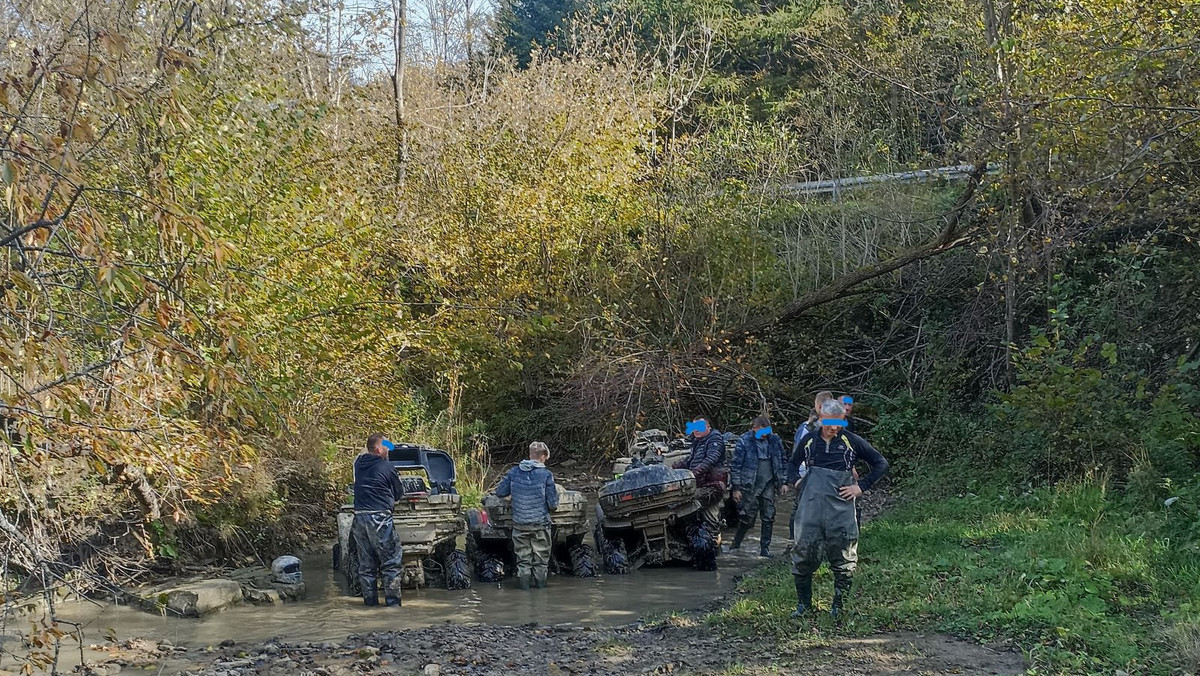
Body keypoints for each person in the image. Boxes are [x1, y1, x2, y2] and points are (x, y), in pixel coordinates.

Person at [790, 399, 888, 619]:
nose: (834, 427)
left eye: (839, 422)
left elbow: (880, 463)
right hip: (811, 507)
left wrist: (860, 487)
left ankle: (838, 607)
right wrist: (796, 481)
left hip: (841, 508)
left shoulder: (851, 441)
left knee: (844, 554)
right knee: (803, 552)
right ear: (821, 419)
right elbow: (791, 463)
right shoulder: (809, 440)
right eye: (829, 422)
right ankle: (803, 605)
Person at [495, 441, 559, 589]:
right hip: (540, 524)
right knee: (541, 561)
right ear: (543, 456)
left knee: (523, 561)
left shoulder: (514, 472)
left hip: (520, 524)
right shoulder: (546, 474)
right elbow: (553, 504)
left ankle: (524, 592)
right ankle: (541, 593)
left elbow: (500, 492)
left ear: (530, 455)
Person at [352, 434, 406, 607]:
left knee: (366, 566)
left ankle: (370, 605)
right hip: (380, 519)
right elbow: (399, 493)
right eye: (387, 447)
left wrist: (386, 444)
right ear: (379, 449)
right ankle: (393, 605)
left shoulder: (359, 464)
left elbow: (368, 449)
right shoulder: (387, 466)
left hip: (359, 517)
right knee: (390, 562)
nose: (389, 450)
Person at [730, 415, 787, 557]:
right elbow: (735, 465)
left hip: (769, 483)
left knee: (768, 516)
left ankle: (764, 549)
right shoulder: (744, 441)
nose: (765, 435)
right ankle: (735, 545)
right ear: (754, 429)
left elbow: (782, 460)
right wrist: (736, 488)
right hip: (750, 484)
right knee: (747, 518)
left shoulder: (775, 440)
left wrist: (783, 482)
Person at [787, 391, 834, 540]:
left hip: (819, 475)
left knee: (808, 509)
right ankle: (795, 541)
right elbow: (798, 455)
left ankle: (802, 541)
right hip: (810, 474)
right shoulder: (809, 428)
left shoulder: (815, 427)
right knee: (802, 508)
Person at [678, 417, 727, 529]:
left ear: (708, 427)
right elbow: (688, 461)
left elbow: (710, 460)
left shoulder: (715, 440)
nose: (697, 430)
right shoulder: (697, 442)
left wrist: (692, 474)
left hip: (713, 485)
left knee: (692, 505)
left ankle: (714, 537)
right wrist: (670, 470)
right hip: (700, 485)